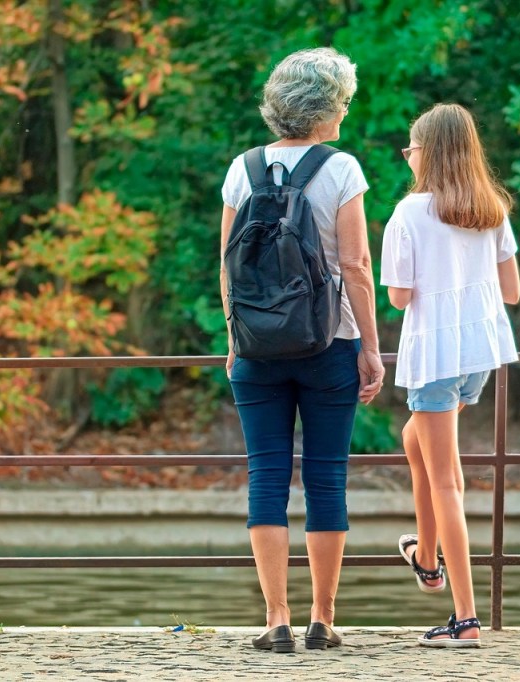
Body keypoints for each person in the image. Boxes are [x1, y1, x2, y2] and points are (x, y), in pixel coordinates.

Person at [219, 47, 385, 653]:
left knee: (266, 475)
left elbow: (228, 268)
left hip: (257, 347)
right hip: (328, 343)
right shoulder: (341, 169)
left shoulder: (242, 169)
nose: (346, 111)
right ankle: (322, 619)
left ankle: (276, 620)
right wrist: (370, 345)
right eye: (343, 101)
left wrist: (236, 338)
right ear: (327, 108)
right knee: (325, 478)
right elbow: (357, 266)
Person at [380, 102, 520, 648]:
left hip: (435, 358)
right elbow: (510, 293)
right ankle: (426, 556)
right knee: (414, 438)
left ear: (428, 153)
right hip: (479, 355)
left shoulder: (410, 214)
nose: (407, 158)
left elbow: (398, 297)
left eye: (411, 149)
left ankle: (463, 615)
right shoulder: (492, 209)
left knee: (447, 480)